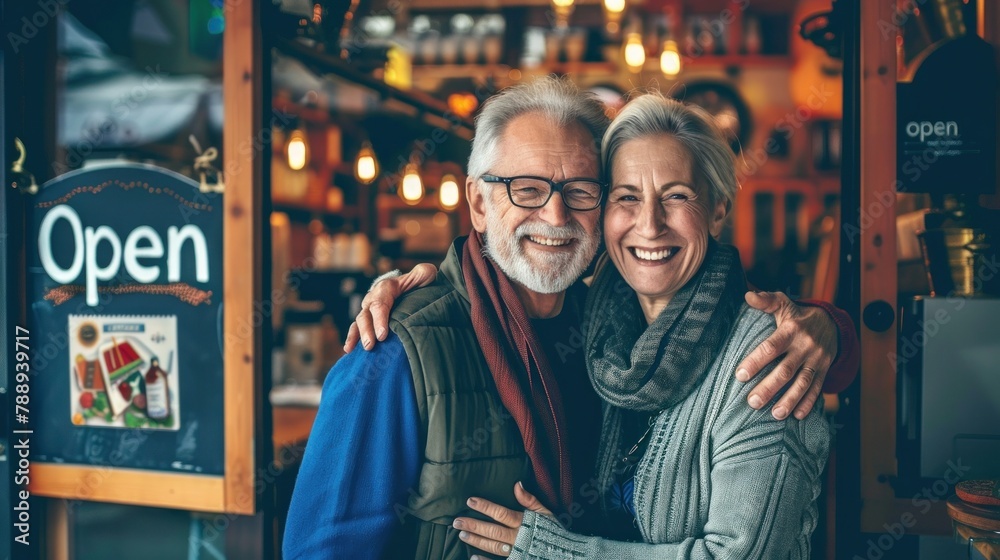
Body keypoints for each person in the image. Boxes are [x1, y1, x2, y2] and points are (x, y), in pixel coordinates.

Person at [283, 77, 856, 560]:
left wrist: (832, 328)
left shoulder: (620, 332)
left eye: (580, 190)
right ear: (479, 204)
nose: (555, 214)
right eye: (526, 189)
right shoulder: (393, 353)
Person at [444, 93, 832, 558]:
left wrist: (557, 553)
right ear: (603, 211)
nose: (649, 225)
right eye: (627, 197)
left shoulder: (766, 357)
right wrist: (418, 288)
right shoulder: (593, 327)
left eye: (676, 196)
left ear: (718, 209)